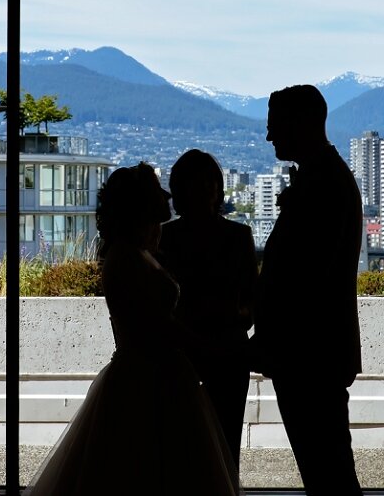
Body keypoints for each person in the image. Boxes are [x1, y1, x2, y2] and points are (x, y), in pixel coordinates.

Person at [25, 163, 239, 496]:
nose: (165, 201)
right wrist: (214, 347)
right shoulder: (128, 257)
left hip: (148, 375)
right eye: (155, 196)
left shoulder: (131, 254)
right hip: (150, 377)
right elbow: (159, 325)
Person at [249, 85, 363, 496]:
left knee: (327, 475)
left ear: (301, 123)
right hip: (312, 354)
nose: (269, 137)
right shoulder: (326, 177)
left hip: (308, 356)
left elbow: (304, 280)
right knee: (327, 472)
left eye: (274, 126)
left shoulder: (323, 185)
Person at [158, 148, 257, 471]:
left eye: (210, 182)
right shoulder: (238, 236)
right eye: (199, 183)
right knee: (222, 447)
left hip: (189, 355)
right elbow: (250, 302)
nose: (207, 189)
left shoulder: (166, 238)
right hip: (224, 353)